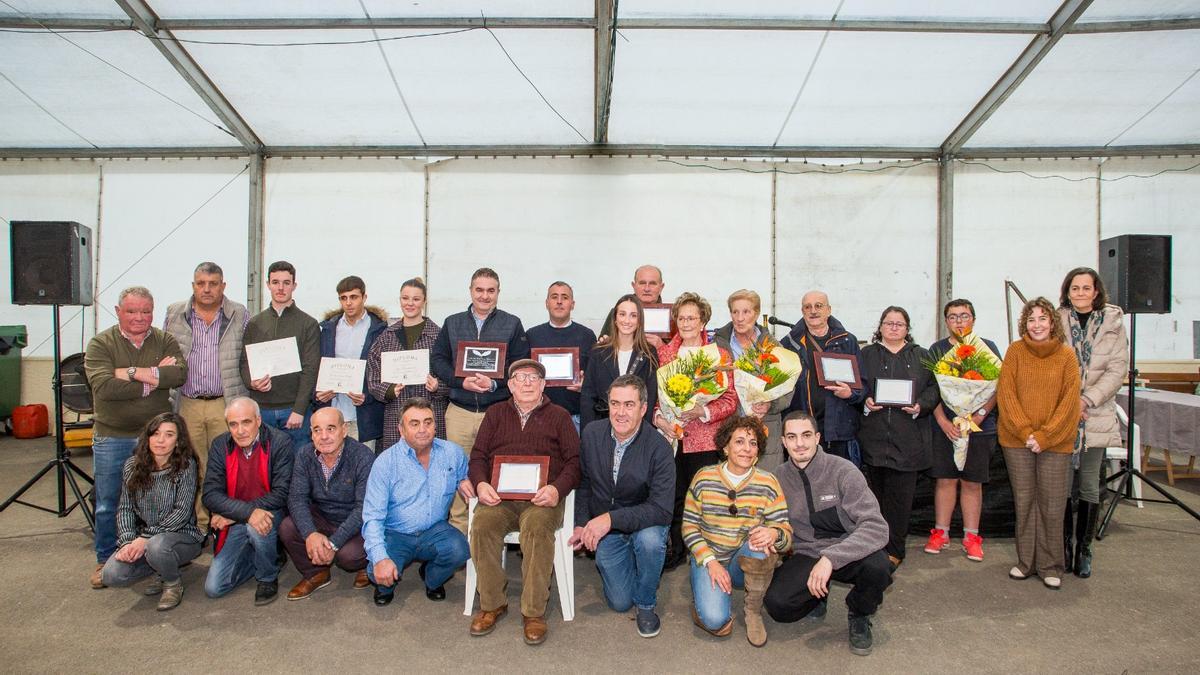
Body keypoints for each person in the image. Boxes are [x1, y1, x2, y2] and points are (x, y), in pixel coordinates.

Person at [467, 359, 580, 646]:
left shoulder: (560, 416)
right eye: (521, 377)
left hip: (541, 500)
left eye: (534, 378)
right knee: (482, 525)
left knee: (538, 528)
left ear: (544, 385)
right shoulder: (494, 414)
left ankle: (533, 612)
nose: (527, 382)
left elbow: (575, 462)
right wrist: (481, 484)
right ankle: (492, 604)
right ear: (511, 385)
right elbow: (478, 455)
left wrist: (556, 489)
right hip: (500, 499)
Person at [764, 412, 892, 656]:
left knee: (879, 567)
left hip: (849, 550)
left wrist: (831, 558)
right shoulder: (777, 478)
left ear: (818, 437)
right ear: (783, 442)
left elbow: (876, 526)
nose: (799, 443)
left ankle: (860, 614)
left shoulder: (843, 470)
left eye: (806, 435)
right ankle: (817, 596)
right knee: (778, 606)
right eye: (792, 437)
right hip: (806, 552)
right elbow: (772, 523)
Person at [84, 286, 187, 589]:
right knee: (108, 501)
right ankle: (106, 559)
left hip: (154, 439)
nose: (139, 317)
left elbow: (178, 375)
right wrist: (152, 378)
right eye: (132, 311)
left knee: (158, 500)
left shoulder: (164, 339)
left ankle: (153, 555)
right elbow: (104, 387)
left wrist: (128, 372)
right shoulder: (101, 343)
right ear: (118, 312)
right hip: (112, 436)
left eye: (145, 311)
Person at [569, 375, 674, 638]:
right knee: (619, 602)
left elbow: (661, 510)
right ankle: (636, 561)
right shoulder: (592, 434)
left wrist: (609, 519)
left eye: (629, 405)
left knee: (650, 542)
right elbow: (584, 483)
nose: (620, 412)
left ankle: (647, 603)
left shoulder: (659, 447)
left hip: (644, 523)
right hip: (610, 529)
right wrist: (581, 522)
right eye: (615, 404)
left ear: (643, 408)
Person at [431, 267, 530, 533]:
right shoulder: (452, 322)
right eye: (479, 290)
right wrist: (459, 380)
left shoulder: (512, 323)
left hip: (497, 412)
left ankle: (490, 533)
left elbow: (520, 364)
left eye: (490, 290)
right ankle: (459, 536)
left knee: (494, 474)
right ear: (471, 291)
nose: (484, 296)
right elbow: (437, 359)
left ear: (498, 292)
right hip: (459, 411)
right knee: (456, 474)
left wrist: (496, 383)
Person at [682, 415, 791, 647]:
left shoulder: (768, 482)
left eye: (753, 443)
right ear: (725, 446)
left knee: (762, 543)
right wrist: (710, 562)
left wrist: (774, 534)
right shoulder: (704, 478)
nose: (747, 449)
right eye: (739, 442)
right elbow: (689, 526)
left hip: (743, 559)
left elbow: (785, 534)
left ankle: (753, 611)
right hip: (710, 558)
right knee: (715, 620)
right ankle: (706, 602)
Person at [997, 297, 1081, 590]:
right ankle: (1026, 562)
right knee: (1025, 501)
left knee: (1052, 504)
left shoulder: (1067, 356)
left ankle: (1050, 565)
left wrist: (1044, 436)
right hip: (1016, 441)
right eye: (1031, 319)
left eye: (1042, 319)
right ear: (1025, 324)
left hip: (1055, 443)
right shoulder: (1015, 351)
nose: (1037, 325)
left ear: (1052, 323)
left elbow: (1070, 402)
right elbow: (1006, 394)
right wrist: (1025, 433)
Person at [653, 292, 739, 570]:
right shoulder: (664, 354)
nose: (687, 322)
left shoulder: (719, 355)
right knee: (675, 496)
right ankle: (676, 549)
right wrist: (660, 419)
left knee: (706, 498)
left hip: (705, 439)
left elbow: (730, 400)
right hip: (672, 439)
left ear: (703, 322)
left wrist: (701, 411)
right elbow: (655, 399)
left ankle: (709, 552)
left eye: (692, 317)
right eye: (681, 317)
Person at [163, 261, 250, 534]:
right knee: (194, 466)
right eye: (201, 283)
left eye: (213, 284)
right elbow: (164, 349)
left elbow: (251, 354)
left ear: (223, 286)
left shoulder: (240, 313)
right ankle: (201, 525)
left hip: (225, 404)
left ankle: (227, 522)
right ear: (193, 286)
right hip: (188, 402)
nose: (207, 289)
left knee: (228, 466)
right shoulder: (175, 313)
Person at [361, 398, 472, 606]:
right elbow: (372, 517)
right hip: (396, 534)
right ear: (401, 429)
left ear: (435, 425)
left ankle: (431, 577)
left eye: (428, 422)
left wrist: (463, 479)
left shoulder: (453, 453)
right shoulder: (385, 463)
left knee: (460, 550)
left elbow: (462, 474)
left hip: (435, 530)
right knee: (377, 574)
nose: (423, 429)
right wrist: (380, 558)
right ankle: (386, 583)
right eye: (414, 423)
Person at [1057, 267, 1128, 578]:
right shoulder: (1057, 318)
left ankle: (1084, 549)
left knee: (1088, 485)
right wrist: (1071, 401)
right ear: (1068, 291)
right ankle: (1064, 546)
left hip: (1095, 414)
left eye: (1087, 288)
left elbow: (1117, 369)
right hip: (1062, 413)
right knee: (1060, 487)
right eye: (1075, 288)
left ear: (1096, 291)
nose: (1081, 293)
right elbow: (1052, 364)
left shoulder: (1113, 320)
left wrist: (1087, 400)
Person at [858, 306, 939, 569]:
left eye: (899, 324)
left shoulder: (923, 356)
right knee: (875, 501)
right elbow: (856, 386)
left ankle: (895, 551)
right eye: (888, 323)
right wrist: (866, 401)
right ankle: (875, 547)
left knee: (900, 504)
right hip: (874, 440)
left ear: (907, 329)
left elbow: (935, 388)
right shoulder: (865, 355)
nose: (893, 328)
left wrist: (921, 406)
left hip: (908, 442)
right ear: (880, 327)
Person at [924, 298, 1003, 562]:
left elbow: (997, 386)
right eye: (953, 317)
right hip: (946, 426)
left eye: (964, 316)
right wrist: (943, 422)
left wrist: (980, 415)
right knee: (945, 480)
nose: (959, 321)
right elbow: (930, 391)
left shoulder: (986, 348)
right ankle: (941, 533)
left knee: (972, 482)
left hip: (980, 427)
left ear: (973, 319)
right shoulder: (937, 349)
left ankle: (971, 537)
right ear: (946, 321)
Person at [100, 412, 204, 611]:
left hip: (182, 536)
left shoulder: (186, 465)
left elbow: (182, 513)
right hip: (144, 538)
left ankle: (172, 583)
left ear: (178, 440)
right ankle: (160, 567)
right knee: (111, 575)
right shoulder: (132, 465)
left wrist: (146, 538)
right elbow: (125, 508)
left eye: (169, 435)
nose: (161, 440)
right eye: (155, 434)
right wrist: (128, 541)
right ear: (147, 436)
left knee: (157, 546)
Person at [202, 397, 294, 604]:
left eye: (246, 422)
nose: (240, 430)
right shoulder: (220, 445)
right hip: (235, 514)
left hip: (272, 510)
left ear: (259, 421)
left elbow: (282, 493)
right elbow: (209, 494)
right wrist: (243, 514)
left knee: (257, 527)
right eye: (233, 424)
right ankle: (267, 554)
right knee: (214, 588)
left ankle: (267, 576)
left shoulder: (280, 442)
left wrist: (236, 515)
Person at [279, 407, 374, 600]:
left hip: (357, 524)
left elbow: (363, 508)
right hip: (324, 516)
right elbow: (296, 498)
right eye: (317, 430)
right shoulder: (305, 455)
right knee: (287, 527)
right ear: (311, 434)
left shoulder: (362, 456)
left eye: (331, 429)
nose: (324, 436)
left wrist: (333, 544)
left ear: (344, 430)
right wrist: (310, 534)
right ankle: (316, 574)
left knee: (347, 557)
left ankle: (368, 565)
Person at [240, 260, 321, 451]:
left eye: (286, 282)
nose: (281, 288)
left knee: (297, 468)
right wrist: (251, 382)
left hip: (294, 411)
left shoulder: (308, 323)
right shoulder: (255, 323)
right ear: (268, 284)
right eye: (275, 282)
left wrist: (299, 410)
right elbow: (245, 362)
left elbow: (311, 369)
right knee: (265, 469)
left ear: (294, 285)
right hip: (262, 409)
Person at [781, 290, 866, 465]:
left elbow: (863, 387)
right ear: (802, 311)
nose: (813, 311)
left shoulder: (847, 342)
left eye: (818, 306)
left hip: (839, 433)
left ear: (829, 310)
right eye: (808, 307)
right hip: (802, 434)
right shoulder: (789, 345)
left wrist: (850, 394)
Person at [712, 289, 794, 467]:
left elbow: (788, 388)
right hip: (730, 428)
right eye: (735, 312)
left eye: (746, 312)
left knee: (763, 488)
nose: (740, 318)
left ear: (756, 313)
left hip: (766, 429)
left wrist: (770, 403)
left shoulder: (773, 346)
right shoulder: (718, 345)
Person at [366, 277, 448, 450]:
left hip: (431, 415)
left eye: (416, 299)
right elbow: (373, 375)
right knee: (397, 466)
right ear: (400, 300)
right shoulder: (386, 337)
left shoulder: (440, 336)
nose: (410, 303)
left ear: (424, 302)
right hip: (396, 415)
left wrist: (438, 387)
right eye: (405, 298)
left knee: (432, 463)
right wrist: (388, 390)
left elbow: (453, 375)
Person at [313, 275, 387, 447]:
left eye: (353, 297)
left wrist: (367, 396)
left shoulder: (380, 329)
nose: (348, 303)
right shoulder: (328, 329)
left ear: (364, 297)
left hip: (364, 417)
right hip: (333, 413)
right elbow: (316, 366)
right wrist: (318, 395)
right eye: (343, 298)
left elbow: (383, 372)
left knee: (363, 468)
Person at [579, 294, 658, 430]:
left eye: (633, 315)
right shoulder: (598, 352)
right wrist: (588, 433)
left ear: (639, 321)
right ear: (615, 318)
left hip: (635, 428)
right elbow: (588, 396)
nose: (627, 320)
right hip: (602, 427)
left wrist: (643, 432)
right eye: (622, 314)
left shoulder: (649, 354)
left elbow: (649, 399)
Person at [526, 281, 597, 431]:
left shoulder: (587, 336)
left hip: (576, 418)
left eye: (564, 297)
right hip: (539, 416)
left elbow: (596, 377)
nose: (559, 302)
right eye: (554, 297)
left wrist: (585, 385)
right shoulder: (532, 335)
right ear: (547, 303)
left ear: (572, 304)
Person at [600, 264, 667, 349]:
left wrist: (663, 347)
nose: (647, 289)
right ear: (634, 286)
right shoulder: (617, 313)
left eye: (652, 283)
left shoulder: (673, 316)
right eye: (642, 283)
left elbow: (682, 356)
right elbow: (603, 345)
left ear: (661, 287)